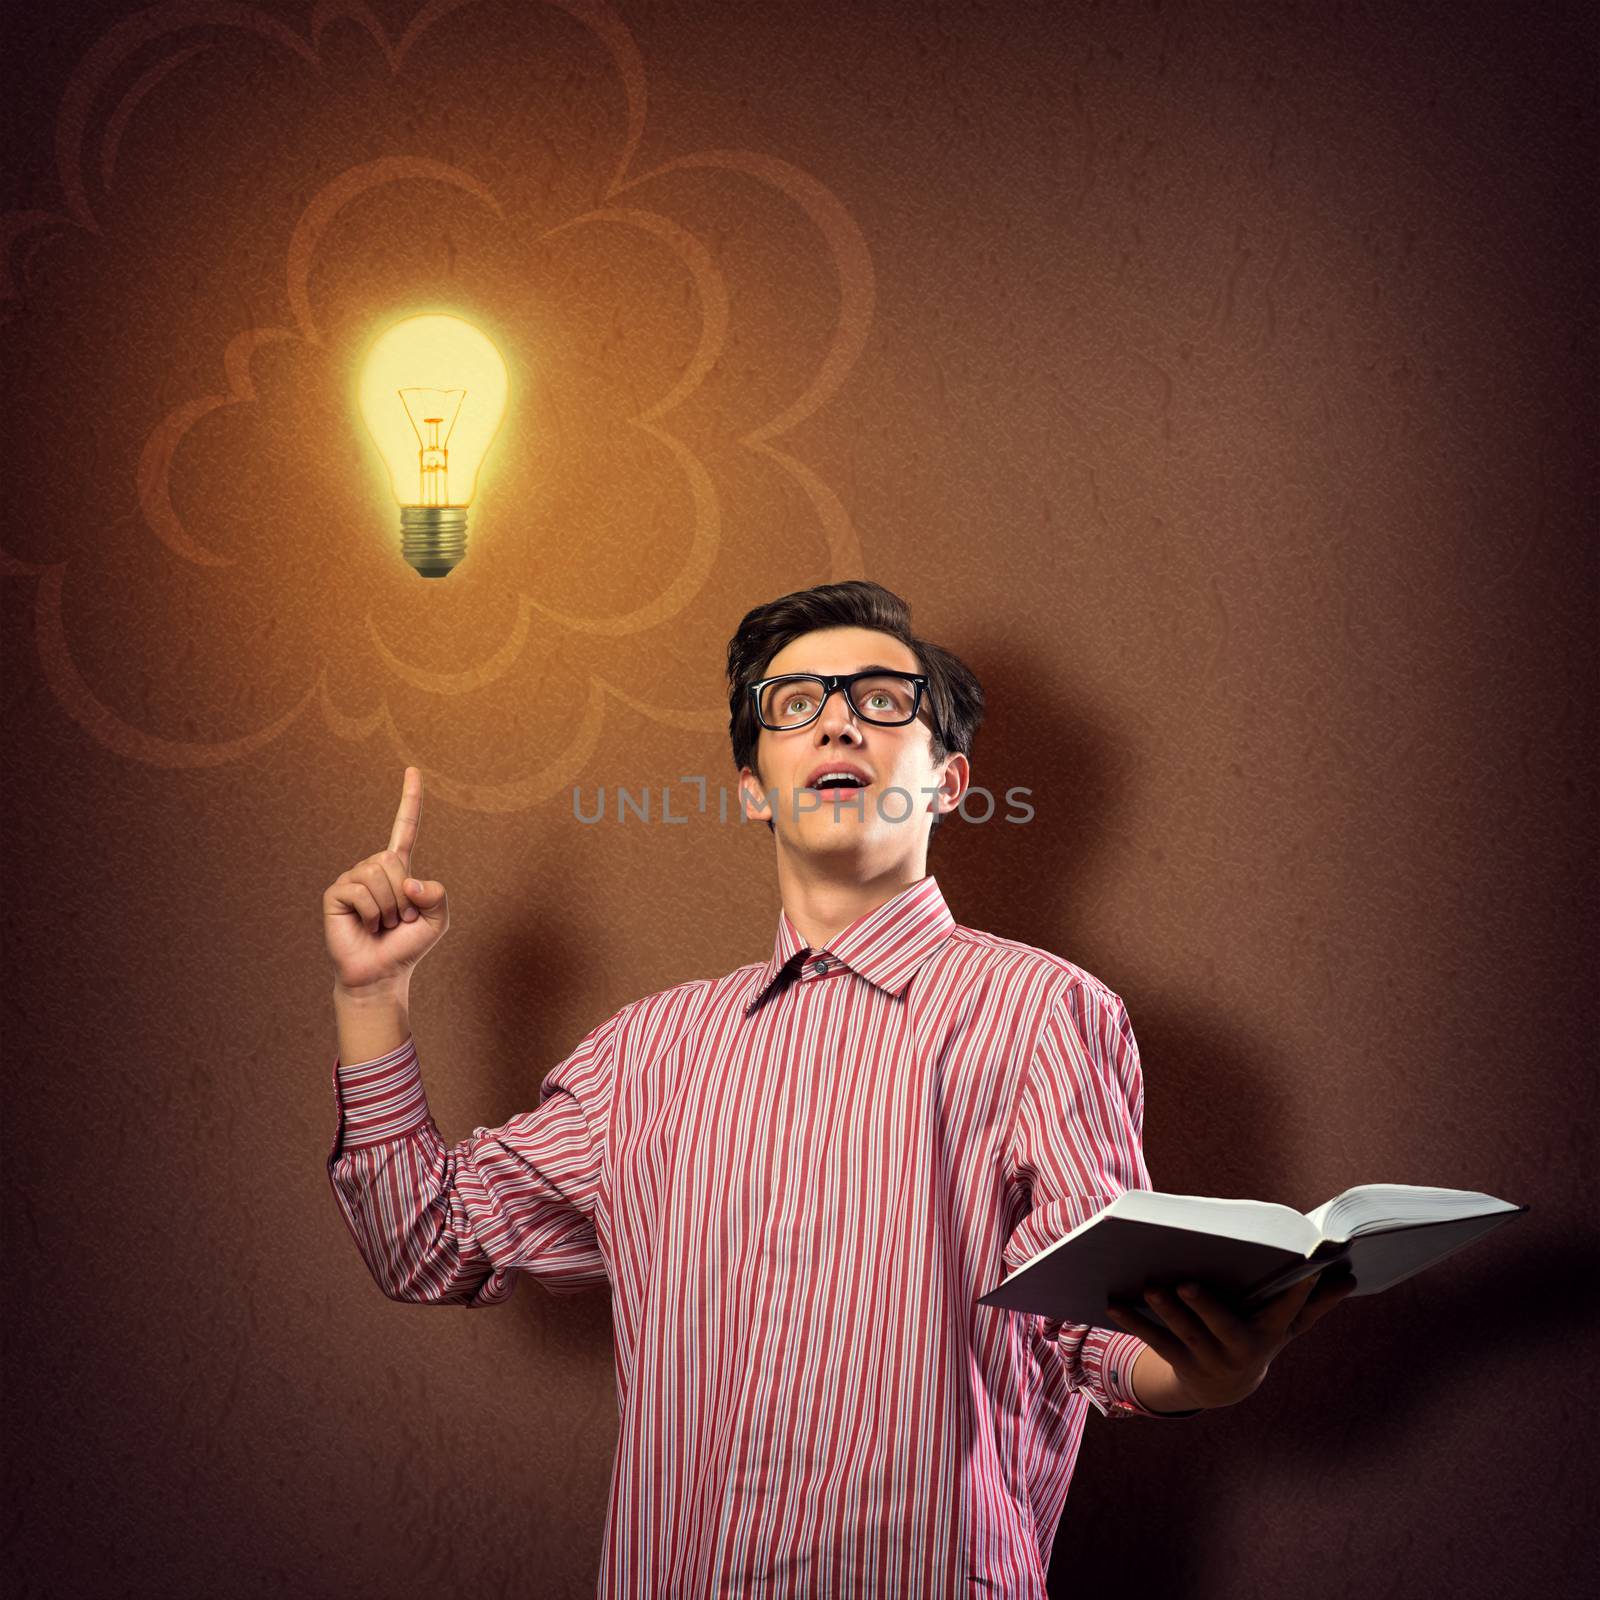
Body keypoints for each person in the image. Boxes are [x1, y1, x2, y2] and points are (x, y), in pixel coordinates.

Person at [321, 579, 1354, 1598]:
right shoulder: (643, 1055)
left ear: (949, 780)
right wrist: (372, 994)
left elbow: (1088, 1320)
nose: (838, 728)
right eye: (795, 705)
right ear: (750, 784)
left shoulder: (1043, 1011)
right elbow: (424, 1242)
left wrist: (1204, 1372)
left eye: (881, 702)